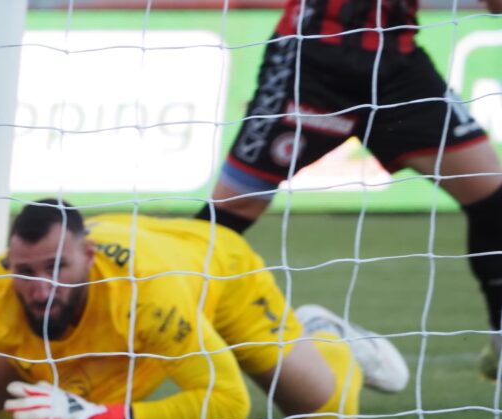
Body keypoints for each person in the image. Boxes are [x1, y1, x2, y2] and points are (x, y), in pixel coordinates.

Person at [0, 199, 408, 419]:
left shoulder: (148, 293)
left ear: (89, 256)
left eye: (58, 267)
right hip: (123, 324)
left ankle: (323, 335)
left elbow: (229, 403)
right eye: (25, 272)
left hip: (219, 274)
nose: (40, 288)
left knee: (325, 412)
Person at [195, 0, 502, 377]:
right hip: (311, 61)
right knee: (224, 219)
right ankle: (155, 329)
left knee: (492, 199)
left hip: (398, 65)